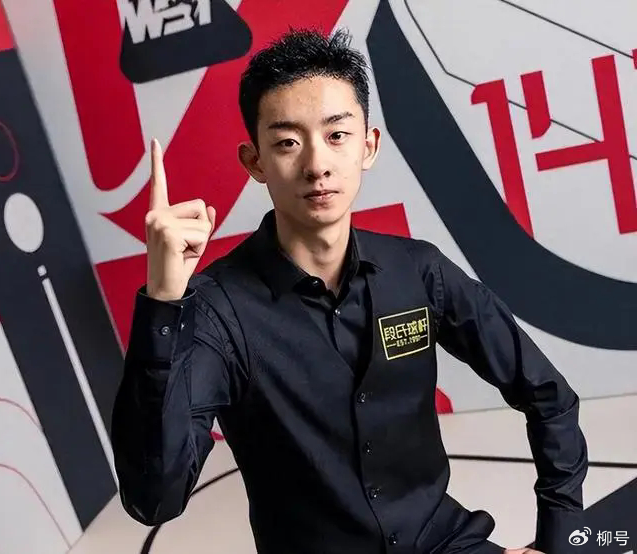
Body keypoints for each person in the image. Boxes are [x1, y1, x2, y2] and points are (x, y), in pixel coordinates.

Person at [111, 29, 588, 554]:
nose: (317, 164)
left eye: (337, 135)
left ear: (369, 146)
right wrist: (163, 301)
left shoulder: (418, 271)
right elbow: (155, 500)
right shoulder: (217, 310)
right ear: (255, 162)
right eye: (288, 142)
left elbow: (549, 395)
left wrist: (562, 541)